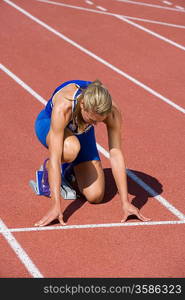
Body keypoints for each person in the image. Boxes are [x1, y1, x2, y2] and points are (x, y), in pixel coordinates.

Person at [34, 79, 150, 227]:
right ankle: (47, 170)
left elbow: (115, 154)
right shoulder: (64, 106)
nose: (94, 123)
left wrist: (125, 201)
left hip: (82, 132)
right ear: (83, 105)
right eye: (92, 119)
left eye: (98, 122)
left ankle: (70, 173)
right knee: (70, 149)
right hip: (49, 125)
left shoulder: (111, 111)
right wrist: (56, 206)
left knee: (96, 196)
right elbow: (56, 157)